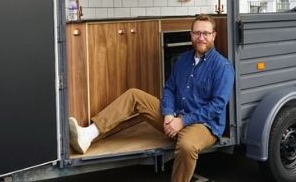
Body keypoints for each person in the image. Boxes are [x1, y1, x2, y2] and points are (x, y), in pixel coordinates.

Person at [69, 14, 235, 182]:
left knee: (187, 146)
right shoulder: (183, 60)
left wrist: (183, 121)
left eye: (206, 33)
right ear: (191, 35)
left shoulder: (223, 67)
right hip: (175, 116)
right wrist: (169, 113)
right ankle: (88, 134)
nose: (201, 38)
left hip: (203, 125)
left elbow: (217, 106)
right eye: (197, 33)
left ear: (213, 35)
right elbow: (169, 89)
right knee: (134, 95)